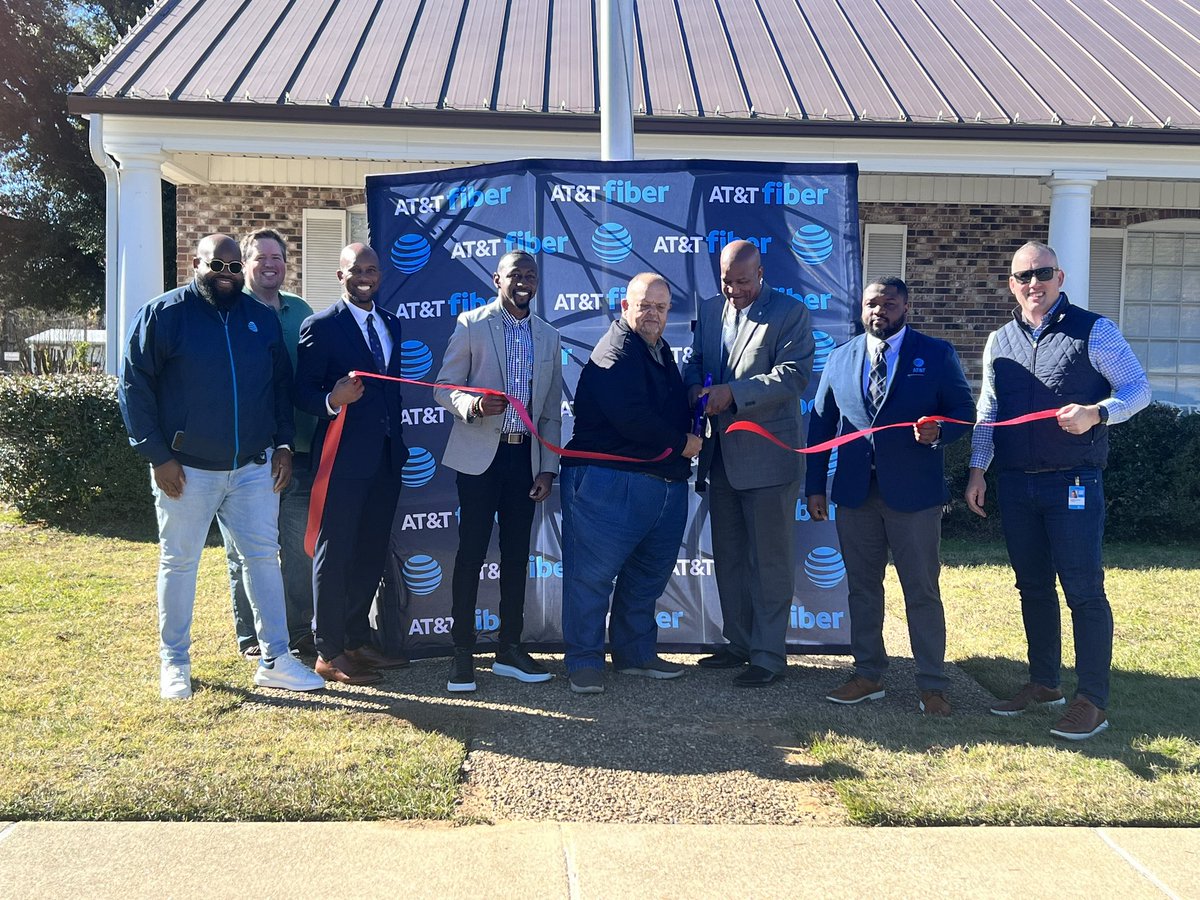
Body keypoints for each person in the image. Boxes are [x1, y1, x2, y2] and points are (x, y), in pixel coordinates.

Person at [119, 233, 325, 700]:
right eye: (219, 265)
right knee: (179, 563)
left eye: (234, 266)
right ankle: (174, 661)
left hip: (253, 467)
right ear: (197, 263)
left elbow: (278, 387)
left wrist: (284, 445)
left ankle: (276, 658)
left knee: (262, 560)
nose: (227, 274)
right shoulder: (165, 314)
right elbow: (134, 386)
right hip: (187, 470)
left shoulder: (259, 318)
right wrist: (158, 455)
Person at [966, 241, 1151, 740]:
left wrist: (1098, 412)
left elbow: (1138, 389)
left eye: (1042, 273)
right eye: (1023, 276)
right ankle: (1045, 684)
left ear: (1060, 276)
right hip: (1016, 482)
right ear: (1011, 284)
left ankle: (1092, 700)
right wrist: (978, 470)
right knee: (1032, 588)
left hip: (1073, 482)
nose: (1033, 283)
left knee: (1084, 591)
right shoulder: (999, 339)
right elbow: (988, 411)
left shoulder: (1095, 330)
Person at [806, 277, 976, 715]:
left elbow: (964, 414)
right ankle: (867, 675)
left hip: (914, 497)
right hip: (854, 494)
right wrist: (813, 487)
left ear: (906, 307)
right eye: (871, 303)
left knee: (921, 590)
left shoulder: (935, 354)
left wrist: (940, 432)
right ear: (861, 308)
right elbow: (822, 425)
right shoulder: (841, 358)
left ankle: (933, 684)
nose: (879, 311)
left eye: (889, 303)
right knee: (862, 589)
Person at [560, 273, 702, 694]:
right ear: (625, 307)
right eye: (644, 305)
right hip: (609, 483)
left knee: (646, 577)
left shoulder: (659, 351)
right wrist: (682, 441)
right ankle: (584, 661)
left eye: (660, 307)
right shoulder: (615, 351)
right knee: (591, 578)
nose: (653, 314)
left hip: (660, 484)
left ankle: (635, 653)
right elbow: (631, 417)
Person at [683, 240, 815, 687]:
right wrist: (691, 390)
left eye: (742, 280)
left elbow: (794, 375)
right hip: (719, 460)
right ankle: (737, 643)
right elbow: (697, 362)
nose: (733, 289)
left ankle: (768, 655)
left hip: (769, 460)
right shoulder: (708, 308)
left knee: (771, 562)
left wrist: (733, 394)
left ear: (760, 273)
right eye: (726, 280)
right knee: (731, 558)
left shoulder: (789, 312)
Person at [434, 251, 563, 692]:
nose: (524, 282)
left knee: (515, 558)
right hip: (478, 460)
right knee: (470, 556)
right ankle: (463, 654)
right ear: (497, 279)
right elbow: (443, 387)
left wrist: (547, 469)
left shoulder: (548, 336)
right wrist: (469, 405)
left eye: (531, 276)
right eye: (515, 275)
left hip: (523, 461)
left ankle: (508, 648)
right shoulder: (472, 324)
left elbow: (550, 413)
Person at [295, 243, 410, 686]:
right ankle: (327, 649)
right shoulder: (320, 327)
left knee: (370, 551)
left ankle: (357, 638)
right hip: (341, 459)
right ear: (340, 276)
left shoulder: (391, 324)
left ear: (379, 275)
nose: (364, 276)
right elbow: (301, 391)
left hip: (385, 457)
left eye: (371, 269)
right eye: (355, 270)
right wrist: (331, 399)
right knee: (335, 551)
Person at [221, 229, 317, 659]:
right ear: (245, 264)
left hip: (301, 447)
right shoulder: (230, 311)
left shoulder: (301, 311)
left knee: (298, 548)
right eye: (261, 257)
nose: (270, 264)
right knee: (246, 549)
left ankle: (299, 632)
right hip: (248, 452)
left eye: (276, 256)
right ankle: (251, 636)